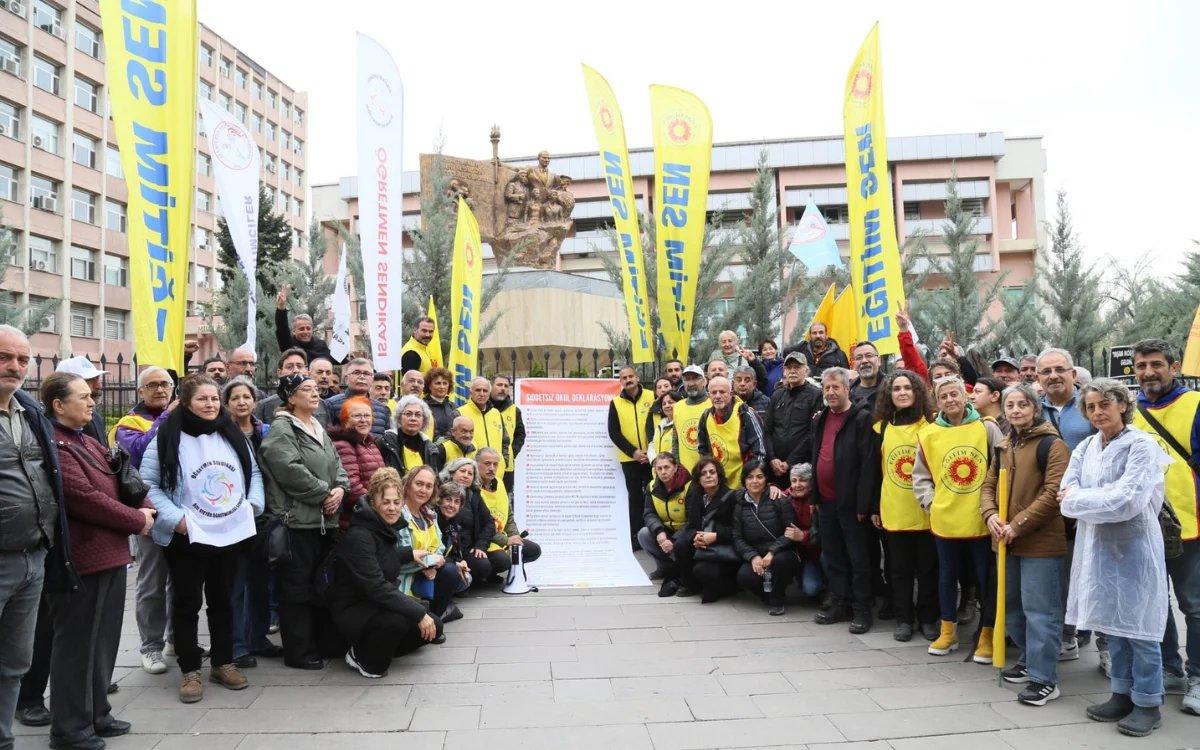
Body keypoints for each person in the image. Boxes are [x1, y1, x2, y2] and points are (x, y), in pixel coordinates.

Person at [41, 372, 153, 746]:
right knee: (76, 644)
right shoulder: (56, 445)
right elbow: (84, 498)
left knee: (103, 640)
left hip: (109, 554)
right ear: (58, 405)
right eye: (83, 397)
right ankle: (70, 729)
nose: (92, 403)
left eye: (91, 396)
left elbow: (122, 478)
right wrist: (138, 520)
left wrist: (145, 506)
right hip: (82, 557)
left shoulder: (84, 439)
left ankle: (96, 713)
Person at [141, 374, 263, 703]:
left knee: (223, 601)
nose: (210, 405)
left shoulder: (231, 431)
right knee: (186, 603)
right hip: (188, 535)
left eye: (214, 399)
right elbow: (149, 484)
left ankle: (223, 663)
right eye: (202, 399)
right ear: (185, 402)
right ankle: (190, 669)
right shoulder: (167, 435)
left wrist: (252, 506)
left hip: (229, 532)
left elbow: (253, 473)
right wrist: (176, 520)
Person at [1063, 378, 1171, 737]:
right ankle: (1121, 693)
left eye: (1104, 405)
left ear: (1122, 405)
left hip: (1136, 547)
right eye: (1091, 407)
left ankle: (1148, 702)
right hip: (1098, 549)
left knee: (1141, 627)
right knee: (1112, 624)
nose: (1097, 413)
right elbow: (1066, 495)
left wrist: (1086, 499)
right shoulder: (1087, 446)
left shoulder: (1143, 445)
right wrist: (1098, 497)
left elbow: (1129, 501)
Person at [0, 326, 78, 750]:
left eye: (22, 359)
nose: (14, 366)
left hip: (33, 557)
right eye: (3, 357)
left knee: (14, 662)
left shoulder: (28, 411)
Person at [980, 383, 1070, 706]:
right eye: (1010, 405)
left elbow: (1053, 494)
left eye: (1022, 404)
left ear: (1035, 408)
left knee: (1041, 611)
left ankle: (1045, 679)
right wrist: (990, 515)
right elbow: (989, 485)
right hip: (1006, 540)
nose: (1015, 410)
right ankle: (1030, 660)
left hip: (1040, 543)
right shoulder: (1003, 445)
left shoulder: (1052, 445)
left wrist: (1017, 524)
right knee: (1012, 608)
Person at [259, 373, 350, 670]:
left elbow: (337, 464)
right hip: (297, 522)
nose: (316, 394)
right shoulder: (282, 430)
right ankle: (298, 651)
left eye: (316, 389)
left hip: (324, 522)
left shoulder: (316, 426)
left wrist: (339, 489)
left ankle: (321, 642)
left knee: (320, 587)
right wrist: (324, 494)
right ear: (290, 397)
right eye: (307, 390)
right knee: (295, 589)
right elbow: (289, 470)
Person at [1129, 339, 1200, 712]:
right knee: (1157, 605)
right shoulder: (1132, 411)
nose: (1148, 372)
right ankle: (1170, 668)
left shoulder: (1196, 404)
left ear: (1174, 367)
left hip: (1191, 524)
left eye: (1156, 364)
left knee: (1195, 605)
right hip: (1145, 526)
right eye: (1141, 366)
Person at [913, 375, 1004, 662]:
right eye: (944, 396)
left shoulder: (987, 428)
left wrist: (994, 508)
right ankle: (948, 630)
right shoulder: (928, 434)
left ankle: (987, 633)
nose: (950, 400)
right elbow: (921, 476)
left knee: (984, 577)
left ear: (965, 397)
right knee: (946, 574)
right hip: (946, 519)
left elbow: (1001, 470)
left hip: (981, 519)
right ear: (936, 401)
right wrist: (932, 504)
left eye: (955, 394)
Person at [331, 468, 442, 678]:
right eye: (386, 502)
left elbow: (382, 558)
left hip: (376, 604)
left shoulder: (383, 528)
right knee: (403, 620)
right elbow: (376, 586)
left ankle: (383, 647)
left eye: (396, 502)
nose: (392, 508)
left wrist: (408, 553)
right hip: (354, 609)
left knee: (434, 624)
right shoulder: (359, 536)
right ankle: (362, 657)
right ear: (373, 503)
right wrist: (417, 613)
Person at [111, 366, 179, 675]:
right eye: (153, 385)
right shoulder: (129, 422)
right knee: (152, 583)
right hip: (149, 514)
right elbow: (138, 451)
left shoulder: (181, 415)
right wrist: (168, 416)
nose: (162, 390)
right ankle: (150, 647)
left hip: (180, 513)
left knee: (181, 582)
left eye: (166, 384)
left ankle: (175, 639)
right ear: (141, 391)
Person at [866, 370, 939, 643]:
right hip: (893, 510)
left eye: (908, 387)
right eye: (896, 389)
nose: (903, 393)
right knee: (898, 569)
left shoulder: (932, 425)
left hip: (926, 510)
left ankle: (928, 618)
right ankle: (903, 619)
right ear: (889, 395)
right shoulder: (880, 428)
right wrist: (873, 506)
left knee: (928, 568)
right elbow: (873, 471)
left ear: (918, 391)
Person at [1037, 347, 1098, 665]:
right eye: (1046, 371)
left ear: (1073, 373)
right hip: (1049, 508)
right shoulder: (1033, 409)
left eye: (1059, 369)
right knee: (1060, 576)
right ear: (1038, 379)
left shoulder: (1092, 405)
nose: (1053, 376)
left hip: (1089, 507)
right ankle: (1066, 635)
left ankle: (1101, 643)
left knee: (1091, 575)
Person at [810, 368, 876, 634]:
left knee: (859, 559)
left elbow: (868, 464)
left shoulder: (861, 418)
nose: (830, 392)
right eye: (826, 388)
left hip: (852, 506)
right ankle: (841, 602)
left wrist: (863, 504)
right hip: (825, 502)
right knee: (834, 556)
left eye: (836, 387)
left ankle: (862, 609)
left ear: (848, 388)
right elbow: (815, 455)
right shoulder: (820, 418)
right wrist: (814, 495)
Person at [222, 377, 279, 670]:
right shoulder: (221, 434)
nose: (242, 402)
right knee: (236, 583)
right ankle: (237, 645)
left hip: (263, 515)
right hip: (231, 515)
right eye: (235, 398)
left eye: (247, 397)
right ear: (227, 403)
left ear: (255, 403)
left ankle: (257, 637)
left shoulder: (265, 432)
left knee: (260, 582)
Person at [397, 465, 463, 621]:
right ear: (407, 484)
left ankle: (434, 617)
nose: (423, 490)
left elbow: (439, 548)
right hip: (403, 581)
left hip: (424, 576)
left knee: (452, 572)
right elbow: (399, 559)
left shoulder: (429, 515)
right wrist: (430, 562)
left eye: (428, 486)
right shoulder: (398, 514)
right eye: (418, 484)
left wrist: (432, 565)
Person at [732, 460, 798, 616]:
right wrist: (753, 556)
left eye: (759, 477)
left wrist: (772, 553)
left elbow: (790, 531)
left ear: (766, 479)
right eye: (750, 477)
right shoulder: (739, 505)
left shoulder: (779, 500)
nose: (755, 481)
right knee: (744, 577)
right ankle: (767, 596)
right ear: (744, 480)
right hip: (756, 552)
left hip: (781, 551)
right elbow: (737, 537)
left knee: (781, 562)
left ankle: (777, 600)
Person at [673, 457, 739, 603]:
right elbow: (690, 525)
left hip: (722, 546)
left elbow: (738, 531)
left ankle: (729, 585)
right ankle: (690, 585)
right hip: (702, 542)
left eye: (712, 472)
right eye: (703, 473)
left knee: (703, 570)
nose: (708, 476)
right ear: (699, 478)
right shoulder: (697, 497)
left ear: (719, 476)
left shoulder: (732, 497)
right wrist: (694, 538)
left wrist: (715, 536)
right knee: (680, 545)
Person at [438, 458, 506, 586]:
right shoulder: (441, 492)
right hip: (452, 548)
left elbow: (489, 522)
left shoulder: (474, 495)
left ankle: (472, 580)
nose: (466, 476)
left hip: (472, 546)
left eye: (470, 473)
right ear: (451, 473)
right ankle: (463, 582)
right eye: (462, 471)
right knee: (482, 566)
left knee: (502, 560)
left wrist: (481, 544)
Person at [608, 366, 655, 547]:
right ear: (620, 382)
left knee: (654, 495)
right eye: (624, 378)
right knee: (634, 497)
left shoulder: (652, 396)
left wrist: (649, 452)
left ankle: (654, 533)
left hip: (653, 458)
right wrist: (634, 452)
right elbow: (614, 432)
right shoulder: (616, 403)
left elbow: (658, 423)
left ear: (637, 377)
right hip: (630, 459)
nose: (628, 380)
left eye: (630, 376)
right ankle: (635, 537)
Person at [476, 448, 541, 575]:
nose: (492, 468)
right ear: (477, 464)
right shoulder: (473, 488)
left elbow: (509, 515)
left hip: (503, 536)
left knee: (533, 550)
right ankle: (485, 577)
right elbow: (479, 527)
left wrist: (514, 537)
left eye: (495, 464)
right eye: (487, 463)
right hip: (484, 540)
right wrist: (506, 541)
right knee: (502, 560)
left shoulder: (499, 483)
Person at [696, 376, 767, 491]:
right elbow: (703, 451)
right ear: (709, 396)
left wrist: (749, 481)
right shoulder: (705, 417)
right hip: (717, 487)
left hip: (744, 485)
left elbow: (760, 452)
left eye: (722, 392)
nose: (718, 396)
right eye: (714, 392)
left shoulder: (746, 414)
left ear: (731, 394)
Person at [765, 352, 822, 489]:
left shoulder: (816, 395)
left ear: (806, 371)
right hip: (775, 468)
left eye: (797, 367)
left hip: (802, 468)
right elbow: (767, 430)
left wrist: (790, 462)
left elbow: (813, 433)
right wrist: (772, 458)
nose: (792, 371)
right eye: (789, 367)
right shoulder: (777, 396)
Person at [329, 396, 387, 531]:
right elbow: (352, 488)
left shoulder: (372, 444)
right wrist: (380, 504)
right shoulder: (343, 445)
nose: (363, 420)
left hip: (374, 517)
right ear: (345, 422)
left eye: (367, 415)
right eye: (356, 416)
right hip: (355, 522)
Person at [640, 453, 690, 594]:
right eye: (659, 468)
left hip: (685, 533)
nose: (663, 472)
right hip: (666, 530)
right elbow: (649, 513)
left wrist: (674, 540)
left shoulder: (689, 485)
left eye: (666, 467)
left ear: (675, 468)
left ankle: (681, 571)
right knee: (644, 534)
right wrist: (659, 531)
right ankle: (664, 566)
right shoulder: (651, 487)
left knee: (681, 547)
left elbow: (693, 520)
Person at [254, 348, 334, 428]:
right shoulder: (265, 406)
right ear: (279, 372)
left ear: (306, 371)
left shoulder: (321, 404)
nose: (296, 370)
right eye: (289, 367)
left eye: (299, 366)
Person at [783, 463, 823, 601]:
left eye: (803, 480)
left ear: (811, 482)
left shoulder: (819, 499)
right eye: (794, 481)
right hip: (806, 556)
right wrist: (772, 487)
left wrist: (803, 536)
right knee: (810, 589)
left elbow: (824, 531)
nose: (797, 485)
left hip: (824, 551)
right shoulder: (785, 498)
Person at [326, 359, 391, 439]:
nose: (362, 377)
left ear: (372, 379)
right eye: (356, 373)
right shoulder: (331, 404)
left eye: (366, 374)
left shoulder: (382, 409)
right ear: (346, 378)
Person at [459, 378, 511, 475]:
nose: (482, 394)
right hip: (471, 472)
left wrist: (504, 461)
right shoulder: (460, 413)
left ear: (489, 393)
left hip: (496, 472)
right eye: (478, 390)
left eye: (485, 391)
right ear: (470, 392)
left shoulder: (496, 413)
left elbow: (505, 441)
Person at [275, 284, 339, 364]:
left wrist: (347, 358)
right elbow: (282, 329)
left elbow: (334, 359)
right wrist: (281, 308)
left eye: (308, 328)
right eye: (301, 329)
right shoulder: (289, 345)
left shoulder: (320, 346)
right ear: (294, 331)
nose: (305, 332)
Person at [380, 395, 441, 476]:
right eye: (408, 414)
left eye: (418, 415)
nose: (413, 418)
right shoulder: (387, 441)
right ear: (399, 418)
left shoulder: (430, 447)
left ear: (424, 420)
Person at [55, 356, 109, 447]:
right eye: (88, 380)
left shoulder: (96, 418)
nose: (98, 385)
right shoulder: (46, 427)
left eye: (97, 379)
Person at [434, 481, 475, 591]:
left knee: (467, 578)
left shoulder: (453, 523)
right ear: (439, 501)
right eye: (448, 500)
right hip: (431, 564)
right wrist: (454, 563)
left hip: (445, 563)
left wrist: (461, 561)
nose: (452, 505)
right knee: (452, 572)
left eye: (456, 502)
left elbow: (455, 551)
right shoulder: (432, 519)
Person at [671, 365, 711, 473]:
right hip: (686, 472)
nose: (691, 383)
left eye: (695, 379)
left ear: (704, 381)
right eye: (687, 379)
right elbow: (676, 440)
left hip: (710, 471)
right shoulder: (678, 407)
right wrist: (677, 466)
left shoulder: (713, 404)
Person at [490, 374, 525, 495]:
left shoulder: (514, 410)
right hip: (484, 464)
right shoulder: (483, 407)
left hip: (506, 467)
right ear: (491, 387)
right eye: (499, 385)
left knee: (504, 500)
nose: (503, 388)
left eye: (506, 386)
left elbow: (520, 435)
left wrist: (512, 452)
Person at [783, 322, 850, 377]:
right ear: (809, 336)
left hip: (827, 391)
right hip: (805, 391)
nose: (818, 336)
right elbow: (784, 355)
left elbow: (846, 378)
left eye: (821, 332)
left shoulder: (839, 355)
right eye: (814, 333)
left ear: (826, 335)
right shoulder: (801, 349)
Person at [423, 367, 460, 440]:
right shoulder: (421, 406)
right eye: (438, 383)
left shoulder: (455, 407)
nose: (442, 387)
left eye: (445, 383)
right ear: (429, 386)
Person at [647, 390, 679, 461]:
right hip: (658, 468)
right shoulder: (660, 424)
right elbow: (652, 444)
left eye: (670, 402)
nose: (667, 406)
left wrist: (662, 461)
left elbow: (679, 448)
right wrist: (654, 461)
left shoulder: (681, 424)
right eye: (664, 404)